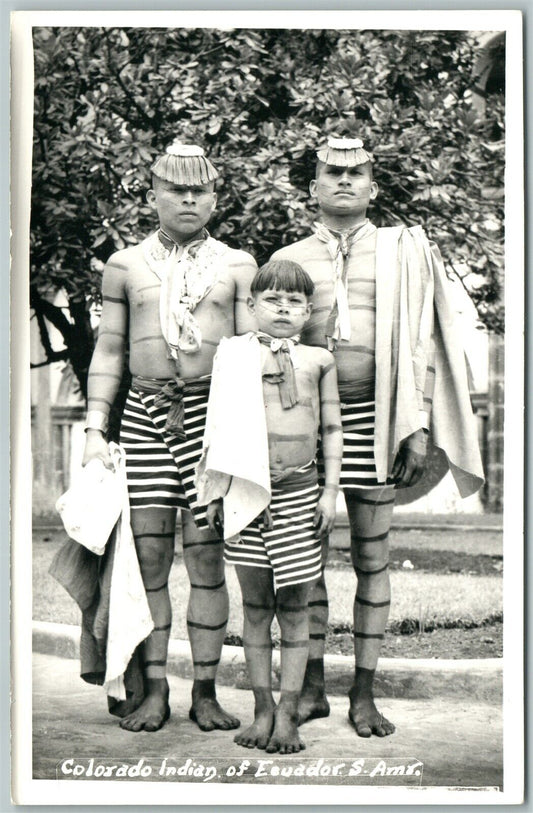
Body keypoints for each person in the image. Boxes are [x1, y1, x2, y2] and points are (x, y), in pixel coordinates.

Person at [271, 136, 484, 737]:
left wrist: (414, 427)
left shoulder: (405, 252)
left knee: (372, 558)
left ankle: (363, 694)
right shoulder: (288, 258)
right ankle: (310, 687)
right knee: (304, 562)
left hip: (380, 419)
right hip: (303, 426)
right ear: (313, 187)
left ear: (372, 186)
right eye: (331, 173)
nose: (343, 181)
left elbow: (425, 340)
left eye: (355, 172)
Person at [82, 141, 257, 732]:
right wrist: (93, 431)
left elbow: (251, 355)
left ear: (214, 198)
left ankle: (204, 692)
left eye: (200, 190)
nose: (188, 199)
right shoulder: (125, 265)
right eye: (176, 190)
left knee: (208, 559)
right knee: (149, 558)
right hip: (145, 417)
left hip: (214, 420)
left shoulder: (237, 265)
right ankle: (154, 690)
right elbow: (109, 351)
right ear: (153, 194)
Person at [195, 260, 343, 754]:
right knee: (256, 607)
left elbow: (331, 431)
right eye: (273, 300)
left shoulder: (319, 360)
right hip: (244, 493)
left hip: (301, 494)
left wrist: (330, 491)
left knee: (295, 609)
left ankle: (288, 714)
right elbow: (215, 427)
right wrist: (214, 491)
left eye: (295, 301)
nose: (283, 308)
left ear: (308, 312)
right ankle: (261, 709)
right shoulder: (234, 356)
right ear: (252, 306)